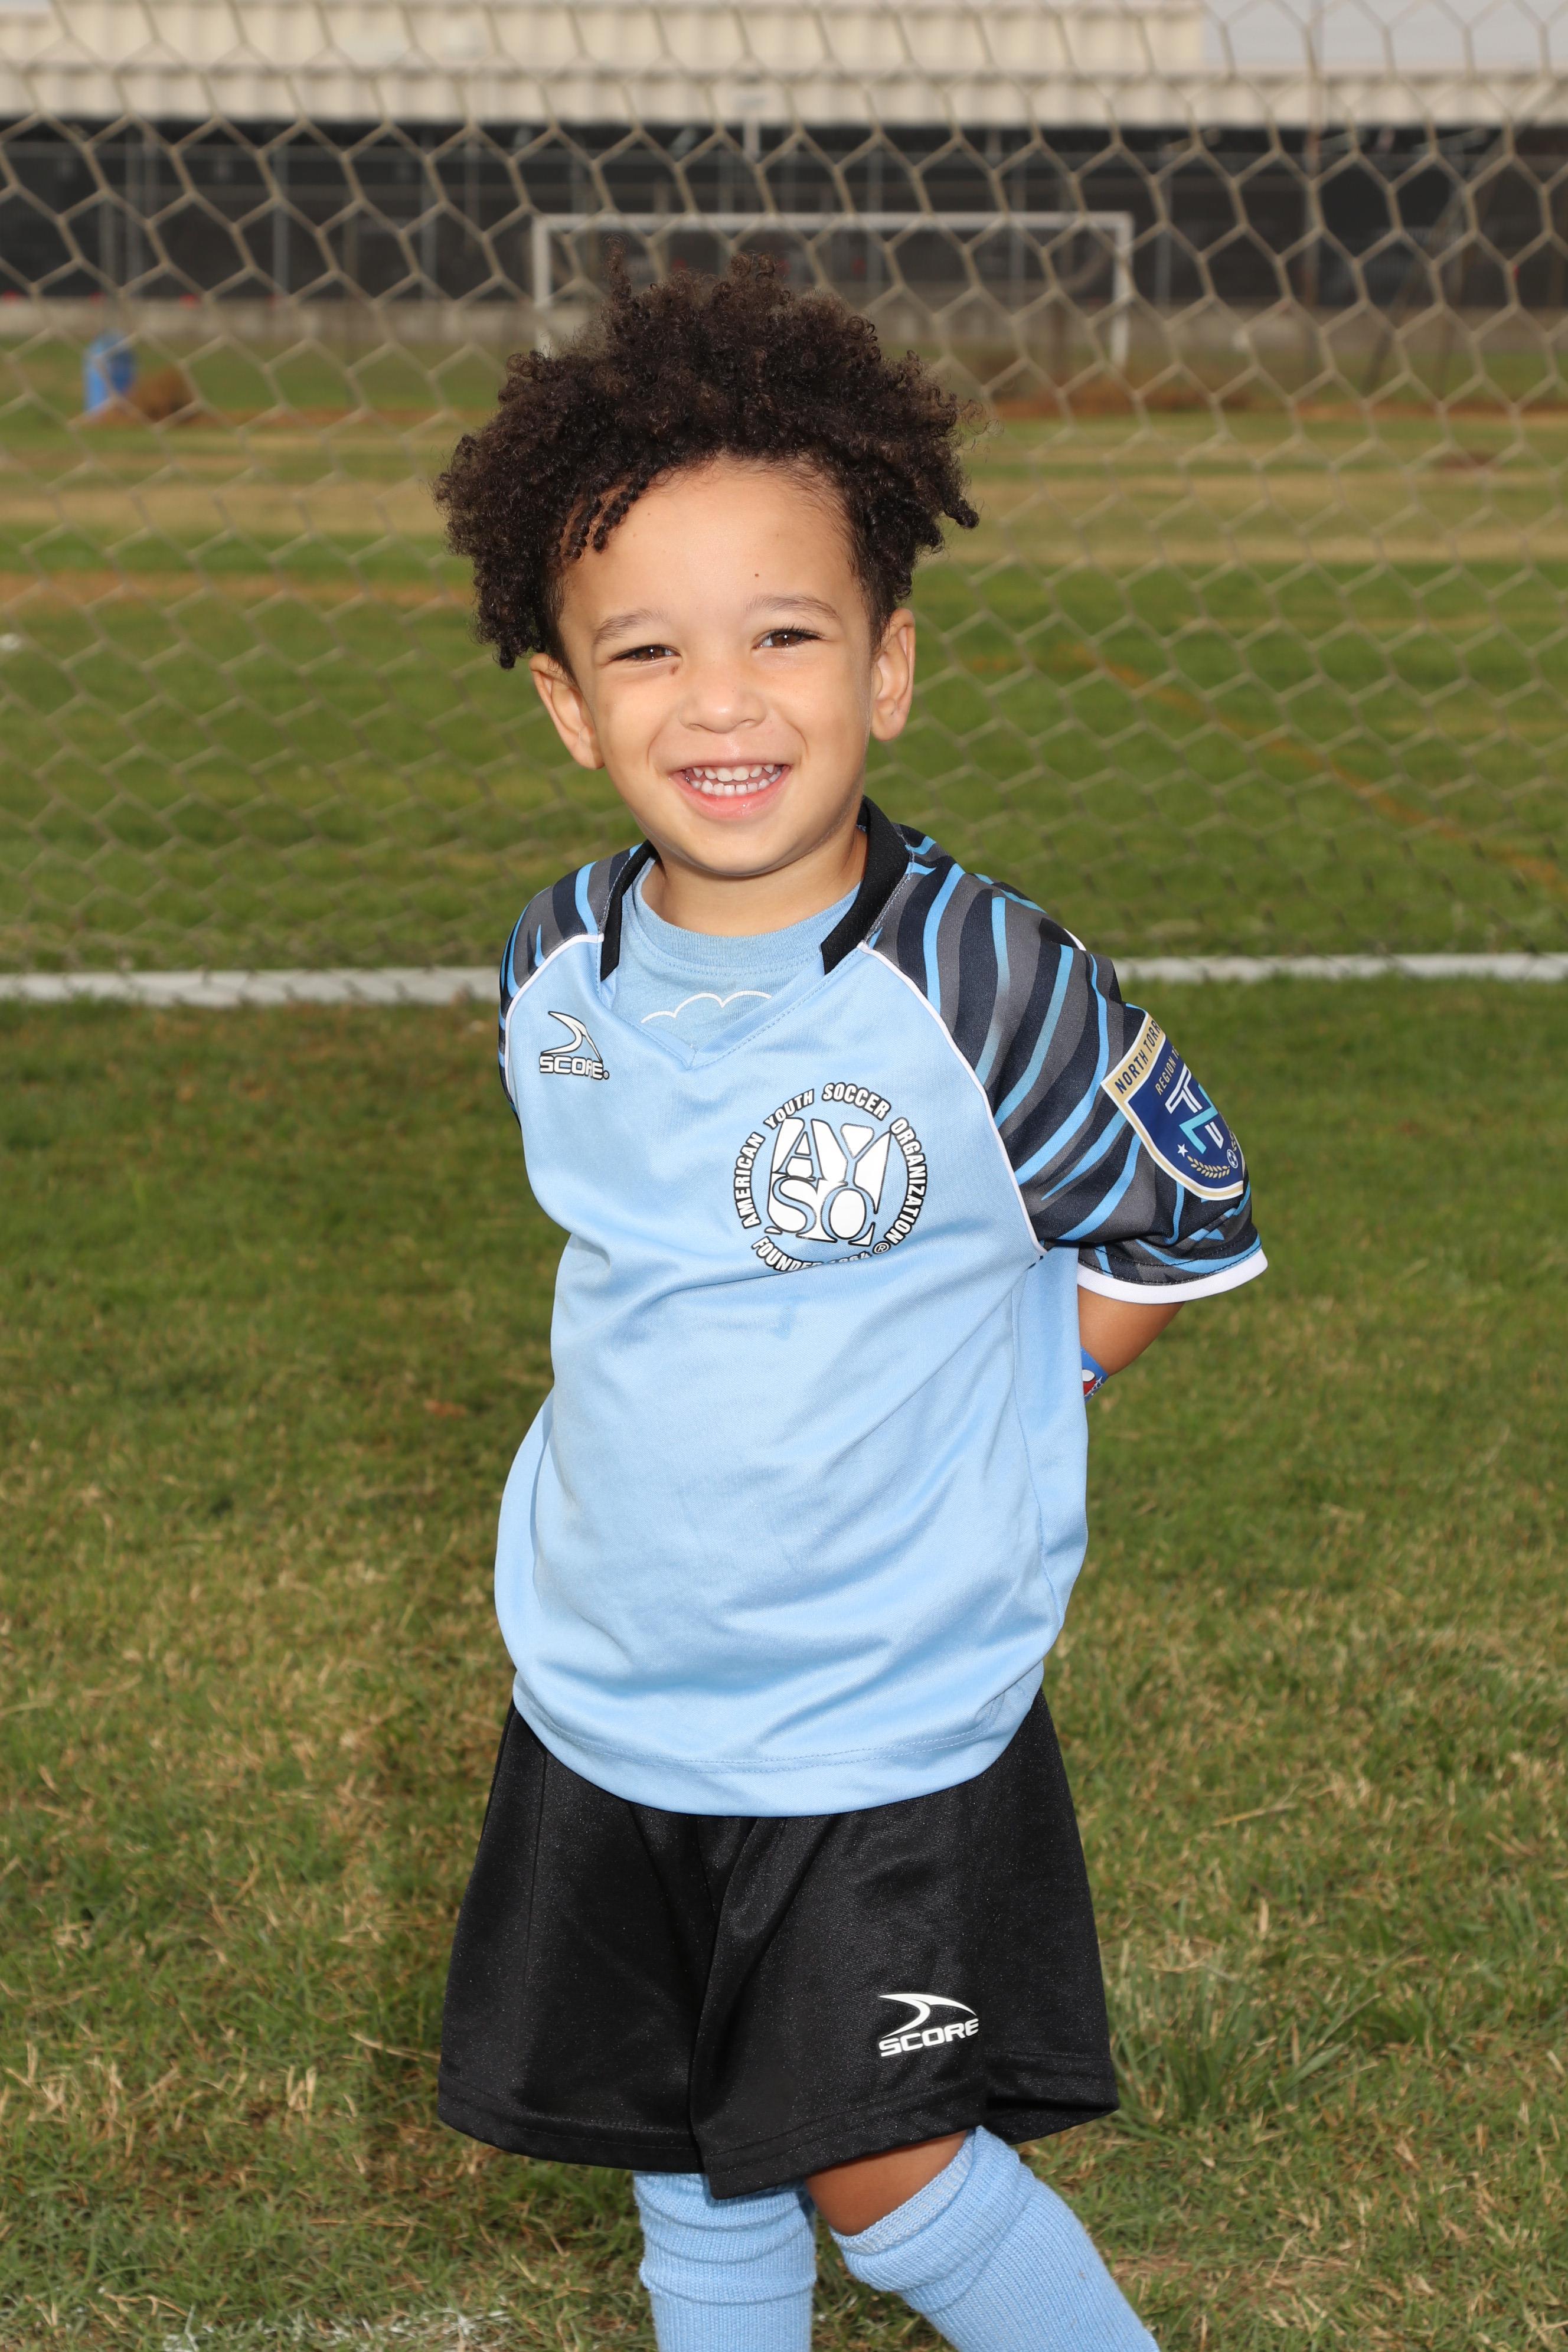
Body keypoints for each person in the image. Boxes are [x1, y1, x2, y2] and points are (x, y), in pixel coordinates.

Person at [432, 255, 1265, 2352]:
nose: (721, 701)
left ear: (887, 667)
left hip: (877, 1718)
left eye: (785, 634)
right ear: (567, 702)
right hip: (614, 1692)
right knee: (692, 2156)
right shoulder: (554, 966)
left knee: (884, 2176)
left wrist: (1019, 1396)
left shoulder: (982, 983)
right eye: (648, 649)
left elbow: (1179, 1217)